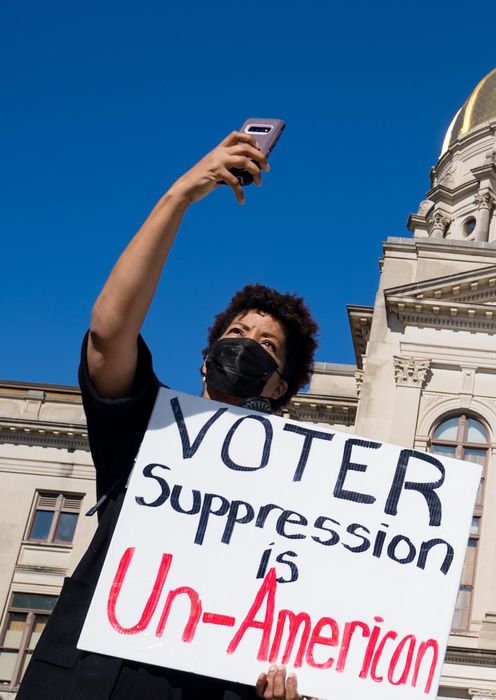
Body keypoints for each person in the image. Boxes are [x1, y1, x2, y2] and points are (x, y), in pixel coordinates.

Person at [18, 133, 319, 700]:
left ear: (280, 384)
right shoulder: (149, 430)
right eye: (236, 335)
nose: (247, 344)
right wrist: (183, 192)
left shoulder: (309, 494)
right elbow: (109, 332)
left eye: (267, 344)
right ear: (206, 363)